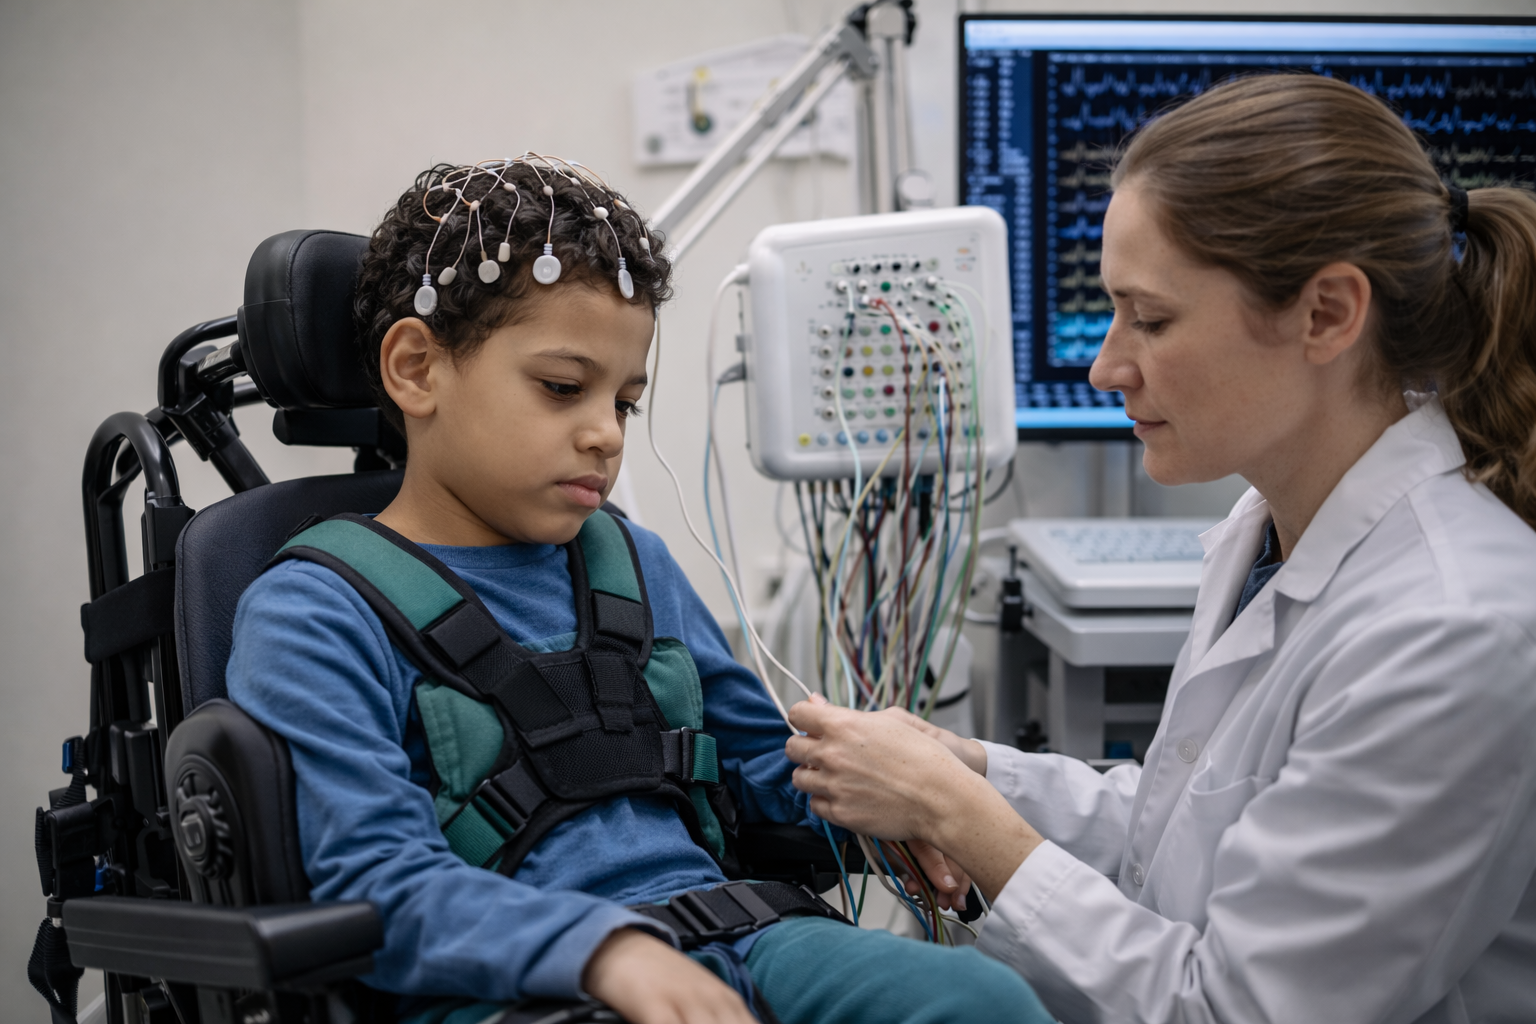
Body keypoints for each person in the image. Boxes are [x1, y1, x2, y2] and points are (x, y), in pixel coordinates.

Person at [226, 157, 1049, 1024]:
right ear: (417, 368)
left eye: (624, 402)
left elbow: (760, 765)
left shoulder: (630, 562)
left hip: (745, 937)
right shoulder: (315, 611)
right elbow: (374, 881)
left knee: (978, 998)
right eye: (561, 388)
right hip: (521, 988)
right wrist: (603, 953)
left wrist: (890, 807)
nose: (603, 435)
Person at [786, 74, 1536, 1023]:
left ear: (1328, 314)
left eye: (1151, 318)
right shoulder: (1268, 533)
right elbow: (1181, 835)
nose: (1107, 365)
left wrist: (957, 818)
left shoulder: (1453, 630)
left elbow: (1233, 1010)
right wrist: (972, 769)